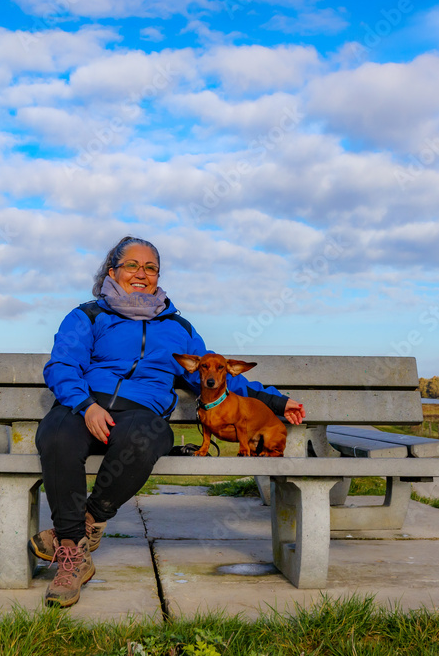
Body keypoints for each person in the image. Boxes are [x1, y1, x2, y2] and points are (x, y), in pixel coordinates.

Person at [31, 236, 306, 608]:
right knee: (56, 435)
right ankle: (72, 552)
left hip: (140, 414)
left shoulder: (178, 328)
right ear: (112, 271)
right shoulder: (87, 316)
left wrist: (275, 400)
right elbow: (63, 365)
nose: (141, 274)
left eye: (150, 268)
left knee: (146, 436)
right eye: (132, 265)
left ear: (158, 276)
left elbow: (218, 375)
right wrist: (85, 405)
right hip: (86, 407)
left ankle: (80, 529)